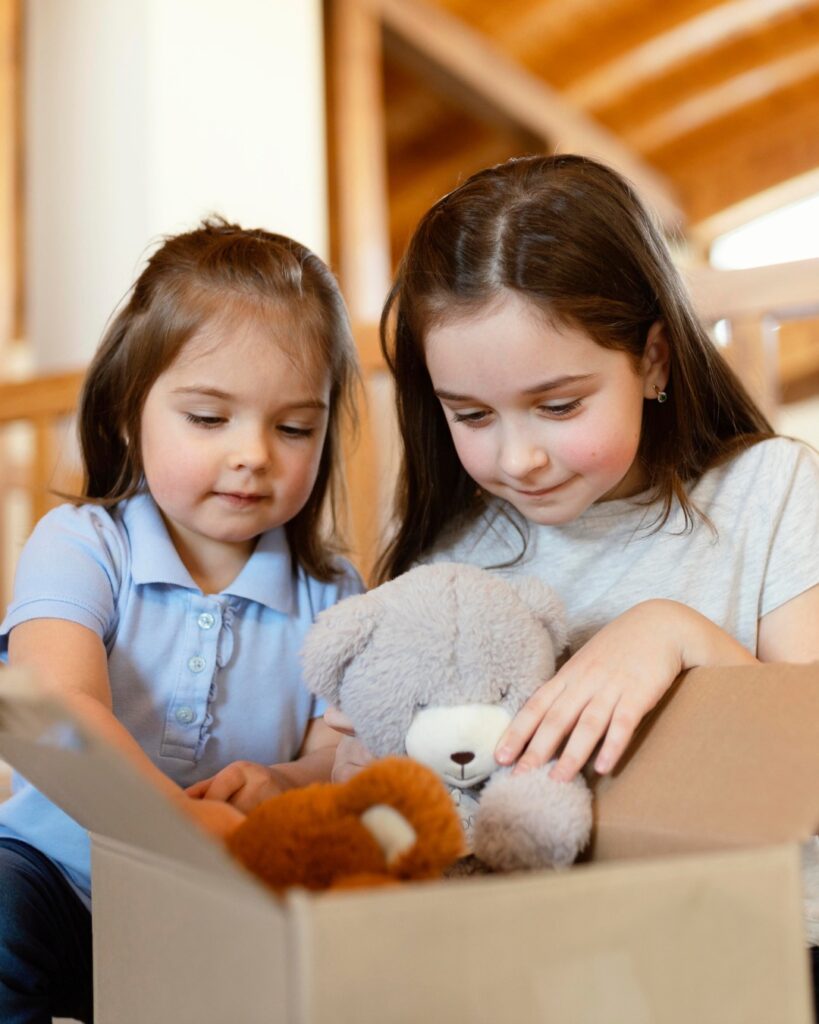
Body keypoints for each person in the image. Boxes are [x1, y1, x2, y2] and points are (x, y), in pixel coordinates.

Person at [328, 151, 818, 1010]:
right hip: (553, 961)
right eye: (471, 415)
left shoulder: (768, 492)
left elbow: (804, 744)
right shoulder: (452, 561)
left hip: (770, 938)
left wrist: (673, 632)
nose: (517, 457)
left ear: (654, 359)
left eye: (558, 406)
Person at [0, 219, 363, 1023]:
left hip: (218, 901)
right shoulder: (83, 544)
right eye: (208, 418)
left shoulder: (333, 592)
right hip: (53, 872)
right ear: (128, 414)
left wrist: (282, 783)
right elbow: (57, 707)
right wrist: (180, 818)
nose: (254, 454)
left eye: (294, 428)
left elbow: (338, 756)